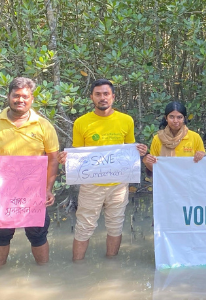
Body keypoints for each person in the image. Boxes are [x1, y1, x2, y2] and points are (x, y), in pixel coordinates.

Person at [58, 79, 147, 261]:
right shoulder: (81, 122)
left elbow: (130, 150)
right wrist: (67, 160)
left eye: (106, 94)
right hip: (91, 185)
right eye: (98, 94)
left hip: (119, 186)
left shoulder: (126, 120)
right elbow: (78, 154)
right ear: (91, 97)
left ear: (113, 97)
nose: (102, 98)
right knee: (84, 227)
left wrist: (141, 152)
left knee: (116, 226)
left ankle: (111, 265)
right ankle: (77, 266)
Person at [0, 77, 59, 267]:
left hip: (34, 190)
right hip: (1, 189)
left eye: (25, 96)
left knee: (38, 234)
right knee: (1, 234)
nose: (20, 100)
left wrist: (48, 188)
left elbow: (53, 159)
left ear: (32, 99)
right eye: (16, 95)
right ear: (9, 96)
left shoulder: (44, 125)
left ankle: (43, 274)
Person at [143, 101, 206, 171]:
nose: (175, 121)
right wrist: (147, 162)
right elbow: (155, 168)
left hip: (188, 180)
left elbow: (202, 165)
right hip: (166, 180)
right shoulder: (157, 139)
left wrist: (202, 155)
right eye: (171, 117)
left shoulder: (195, 137)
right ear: (166, 118)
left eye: (179, 117)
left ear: (184, 118)